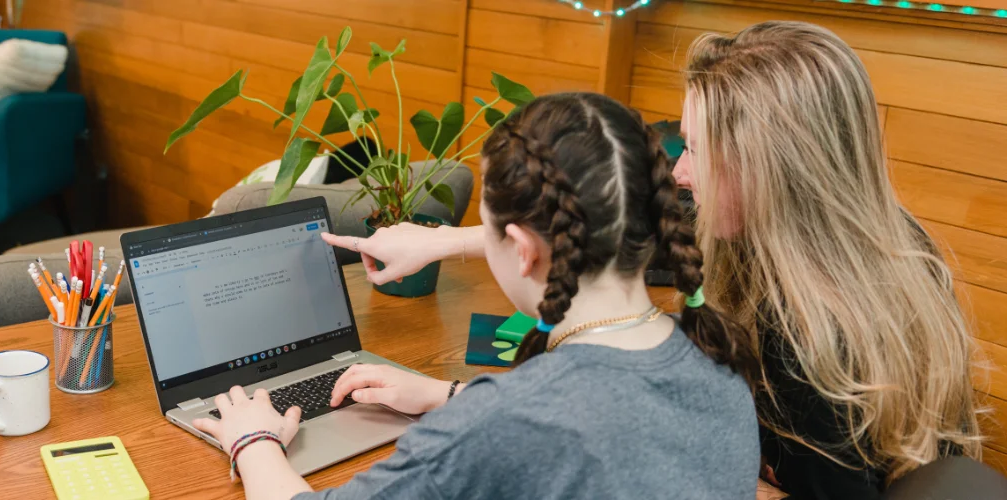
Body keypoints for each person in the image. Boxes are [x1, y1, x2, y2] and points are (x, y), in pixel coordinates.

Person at [324, 21, 981, 500]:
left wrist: (499, 422)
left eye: (696, 150)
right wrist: (450, 245)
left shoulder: (808, 337)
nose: (683, 174)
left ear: (775, 170)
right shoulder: (869, 240)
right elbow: (604, 239)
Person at [191, 92, 762, 499]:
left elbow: (533, 428)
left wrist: (255, 441)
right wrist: (451, 395)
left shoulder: (506, 422)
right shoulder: (720, 366)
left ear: (521, 248)